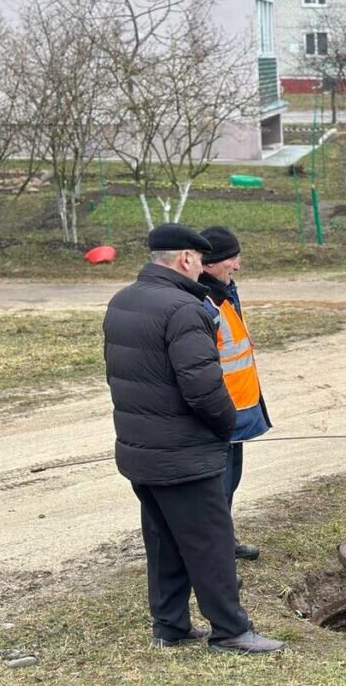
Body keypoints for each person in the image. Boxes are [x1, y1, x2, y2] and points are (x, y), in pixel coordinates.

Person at [103, 223, 283, 654]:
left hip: (140, 453)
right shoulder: (185, 309)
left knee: (164, 539)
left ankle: (170, 625)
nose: (203, 268)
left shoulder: (122, 301)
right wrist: (226, 427)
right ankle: (231, 630)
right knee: (212, 541)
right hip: (184, 454)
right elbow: (203, 388)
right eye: (200, 260)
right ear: (186, 259)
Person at [198, 226, 271, 562]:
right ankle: (215, 552)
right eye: (231, 258)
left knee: (231, 481)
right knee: (216, 486)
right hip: (218, 410)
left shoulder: (225, 292)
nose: (237, 265)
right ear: (209, 262)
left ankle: (223, 538)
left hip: (237, 408)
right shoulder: (203, 300)